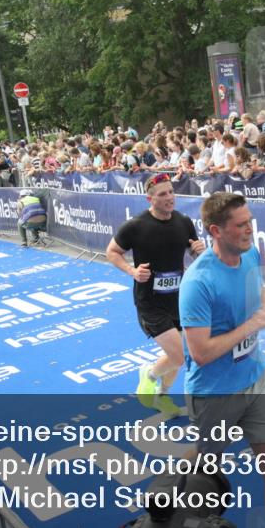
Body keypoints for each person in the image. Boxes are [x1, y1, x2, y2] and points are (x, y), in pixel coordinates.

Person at [178, 192, 265, 528]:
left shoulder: (250, 253)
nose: (250, 230)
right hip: (214, 394)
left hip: (255, 382)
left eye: (250, 222)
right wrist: (253, 325)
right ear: (216, 231)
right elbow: (200, 354)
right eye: (241, 225)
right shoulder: (197, 283)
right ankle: (170, 498)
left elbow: (258, 291)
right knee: (203, 477)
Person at [108, 173, 205, 417]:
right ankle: (148, 374)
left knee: (177, 355)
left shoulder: (183, 222)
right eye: (163, 194)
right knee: (179, 355)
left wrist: (199, 250)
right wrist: (132, 270)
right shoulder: (135, 226)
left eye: (171, 192)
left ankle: (162, 396)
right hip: (149, 302)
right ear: (149, 198)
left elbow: (195, 253)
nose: (169, 198)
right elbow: (112, 252)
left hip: (178, 299)